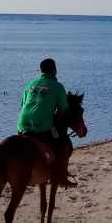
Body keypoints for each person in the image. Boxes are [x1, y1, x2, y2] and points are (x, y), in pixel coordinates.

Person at [17, 58, 75, 187]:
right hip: (41, 127)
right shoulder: (58, 87)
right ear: (54, 70)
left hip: (22, 124)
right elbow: (62, 111)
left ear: (41, 71)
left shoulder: (30, 84)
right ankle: (60, 176)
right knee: (62, 143)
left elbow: (22, 105)